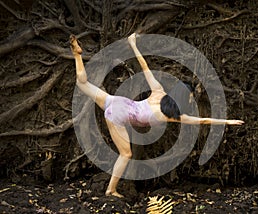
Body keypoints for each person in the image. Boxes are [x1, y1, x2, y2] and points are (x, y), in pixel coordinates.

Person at [70, 33, 244, 198]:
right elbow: (203, 120)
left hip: (118, 102)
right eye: (190, 98)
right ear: (183, 97)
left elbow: (144, 66)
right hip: (118, 115)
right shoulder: (172, 116)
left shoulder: (158, 90)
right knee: (126, 155)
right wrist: (228, 121)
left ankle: (77, 55)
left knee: (83, 83)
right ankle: (111, 190)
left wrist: (133, 44)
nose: (191, 101)